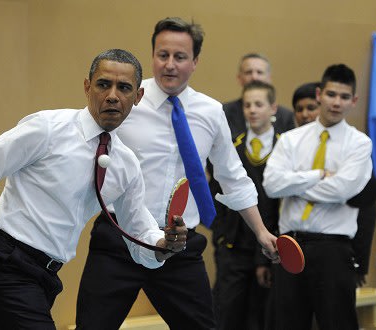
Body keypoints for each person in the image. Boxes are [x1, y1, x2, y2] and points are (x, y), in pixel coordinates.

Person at [0, 49, 189, 330]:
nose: (113, 96)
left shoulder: (126, 165)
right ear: (87, 87)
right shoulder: (47, 129)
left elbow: (139, 232)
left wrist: (165, 245)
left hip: (45, 279)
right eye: (103, 84)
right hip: (2, 263)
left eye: (124, 87)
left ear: (138, 97)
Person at [76, 17, 279, 330]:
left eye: (180, 57)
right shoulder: (127, 97)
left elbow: (232, 177)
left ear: (195, 61)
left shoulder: (211, 112)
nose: (169, 65)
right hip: (119, 239)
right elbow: (82, 150)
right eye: (162, 55)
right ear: (153, 55)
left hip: (179, 244)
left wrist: (261, 232)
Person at [263, 64, 373, 330]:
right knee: (287, 324)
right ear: (319, 94)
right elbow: (271, 185)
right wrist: (319, 174)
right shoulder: (290, 139)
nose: (337, 102)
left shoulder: (360, 143)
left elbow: (342, 191)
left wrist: (294, 183)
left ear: (353, 101)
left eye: (344, 97)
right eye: (331, 94)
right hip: (291, 245)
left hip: (334, 250)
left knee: (338, 324)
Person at [209, 52, 294, 327]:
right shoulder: (231, 134)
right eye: (248, 105)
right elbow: (216, 180)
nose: (253, 110)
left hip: (271, 237)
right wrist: (220, 230)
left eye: (259, 104)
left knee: (262, 316)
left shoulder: (286, 138)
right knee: (226, 311)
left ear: (273, 108)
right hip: (234, 238)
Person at [292, 81, 376, 287]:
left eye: (311, 108)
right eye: (299, 109)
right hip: (294, 249)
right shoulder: (289, 147)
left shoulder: (352, 148)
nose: (305, 115)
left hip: (337, 252)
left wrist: (360, 261)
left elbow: (366, 208)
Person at [222, 53, 295, 138]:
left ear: (269, 78)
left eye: (259, 72)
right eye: (248, 72)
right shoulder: (224, 113)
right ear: (239, 78)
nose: (254, 77)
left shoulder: (286, 117)